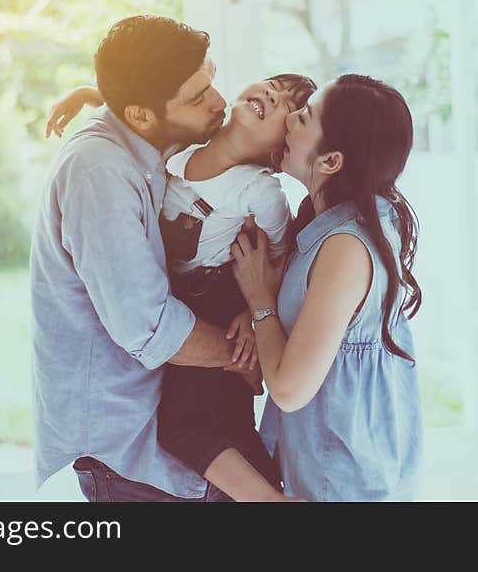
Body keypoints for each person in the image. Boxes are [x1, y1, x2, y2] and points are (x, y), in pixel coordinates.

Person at [48, 72, 316, 502]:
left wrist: (255, 311)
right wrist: (90, 93)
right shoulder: (182, 149)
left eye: (284, 104)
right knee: (218, 417)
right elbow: (153, 110)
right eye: (270, 85)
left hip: (219, 300)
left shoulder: (259, 190)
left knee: (189, 423)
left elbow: (281, 257)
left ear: (275, 152)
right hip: (179, 300)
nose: (271, 94)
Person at [31, 15, 260, 502]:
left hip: (162, 435)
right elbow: (148, 326)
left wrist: (93, 93)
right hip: (124, 454)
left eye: (211, 81)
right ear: (139, 115)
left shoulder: (147, 133)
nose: (220, 103)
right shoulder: (98, 171)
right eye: (197, 98)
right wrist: (251, 356)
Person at [230, 74, 424, 501]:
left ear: (331, 161)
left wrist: (260, 300)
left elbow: (289, 389)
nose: (290, 119)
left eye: (305, 115)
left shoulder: (345, 247)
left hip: (344, 488)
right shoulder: (332, 226)